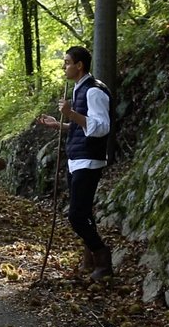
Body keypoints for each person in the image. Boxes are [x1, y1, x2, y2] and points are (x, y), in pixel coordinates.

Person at [37, 46, 113, 280]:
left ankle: (103, 259)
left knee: (77, 216)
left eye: (67, 62)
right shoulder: (82, 89)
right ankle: (89, 260)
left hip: (89, 160)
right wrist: (59, 125)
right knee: (84, 213)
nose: (64, 66)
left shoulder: (94, 91)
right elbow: (84, 126)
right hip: (78, 159)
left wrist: (70, 114)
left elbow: (101, 127)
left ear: (79, 65)